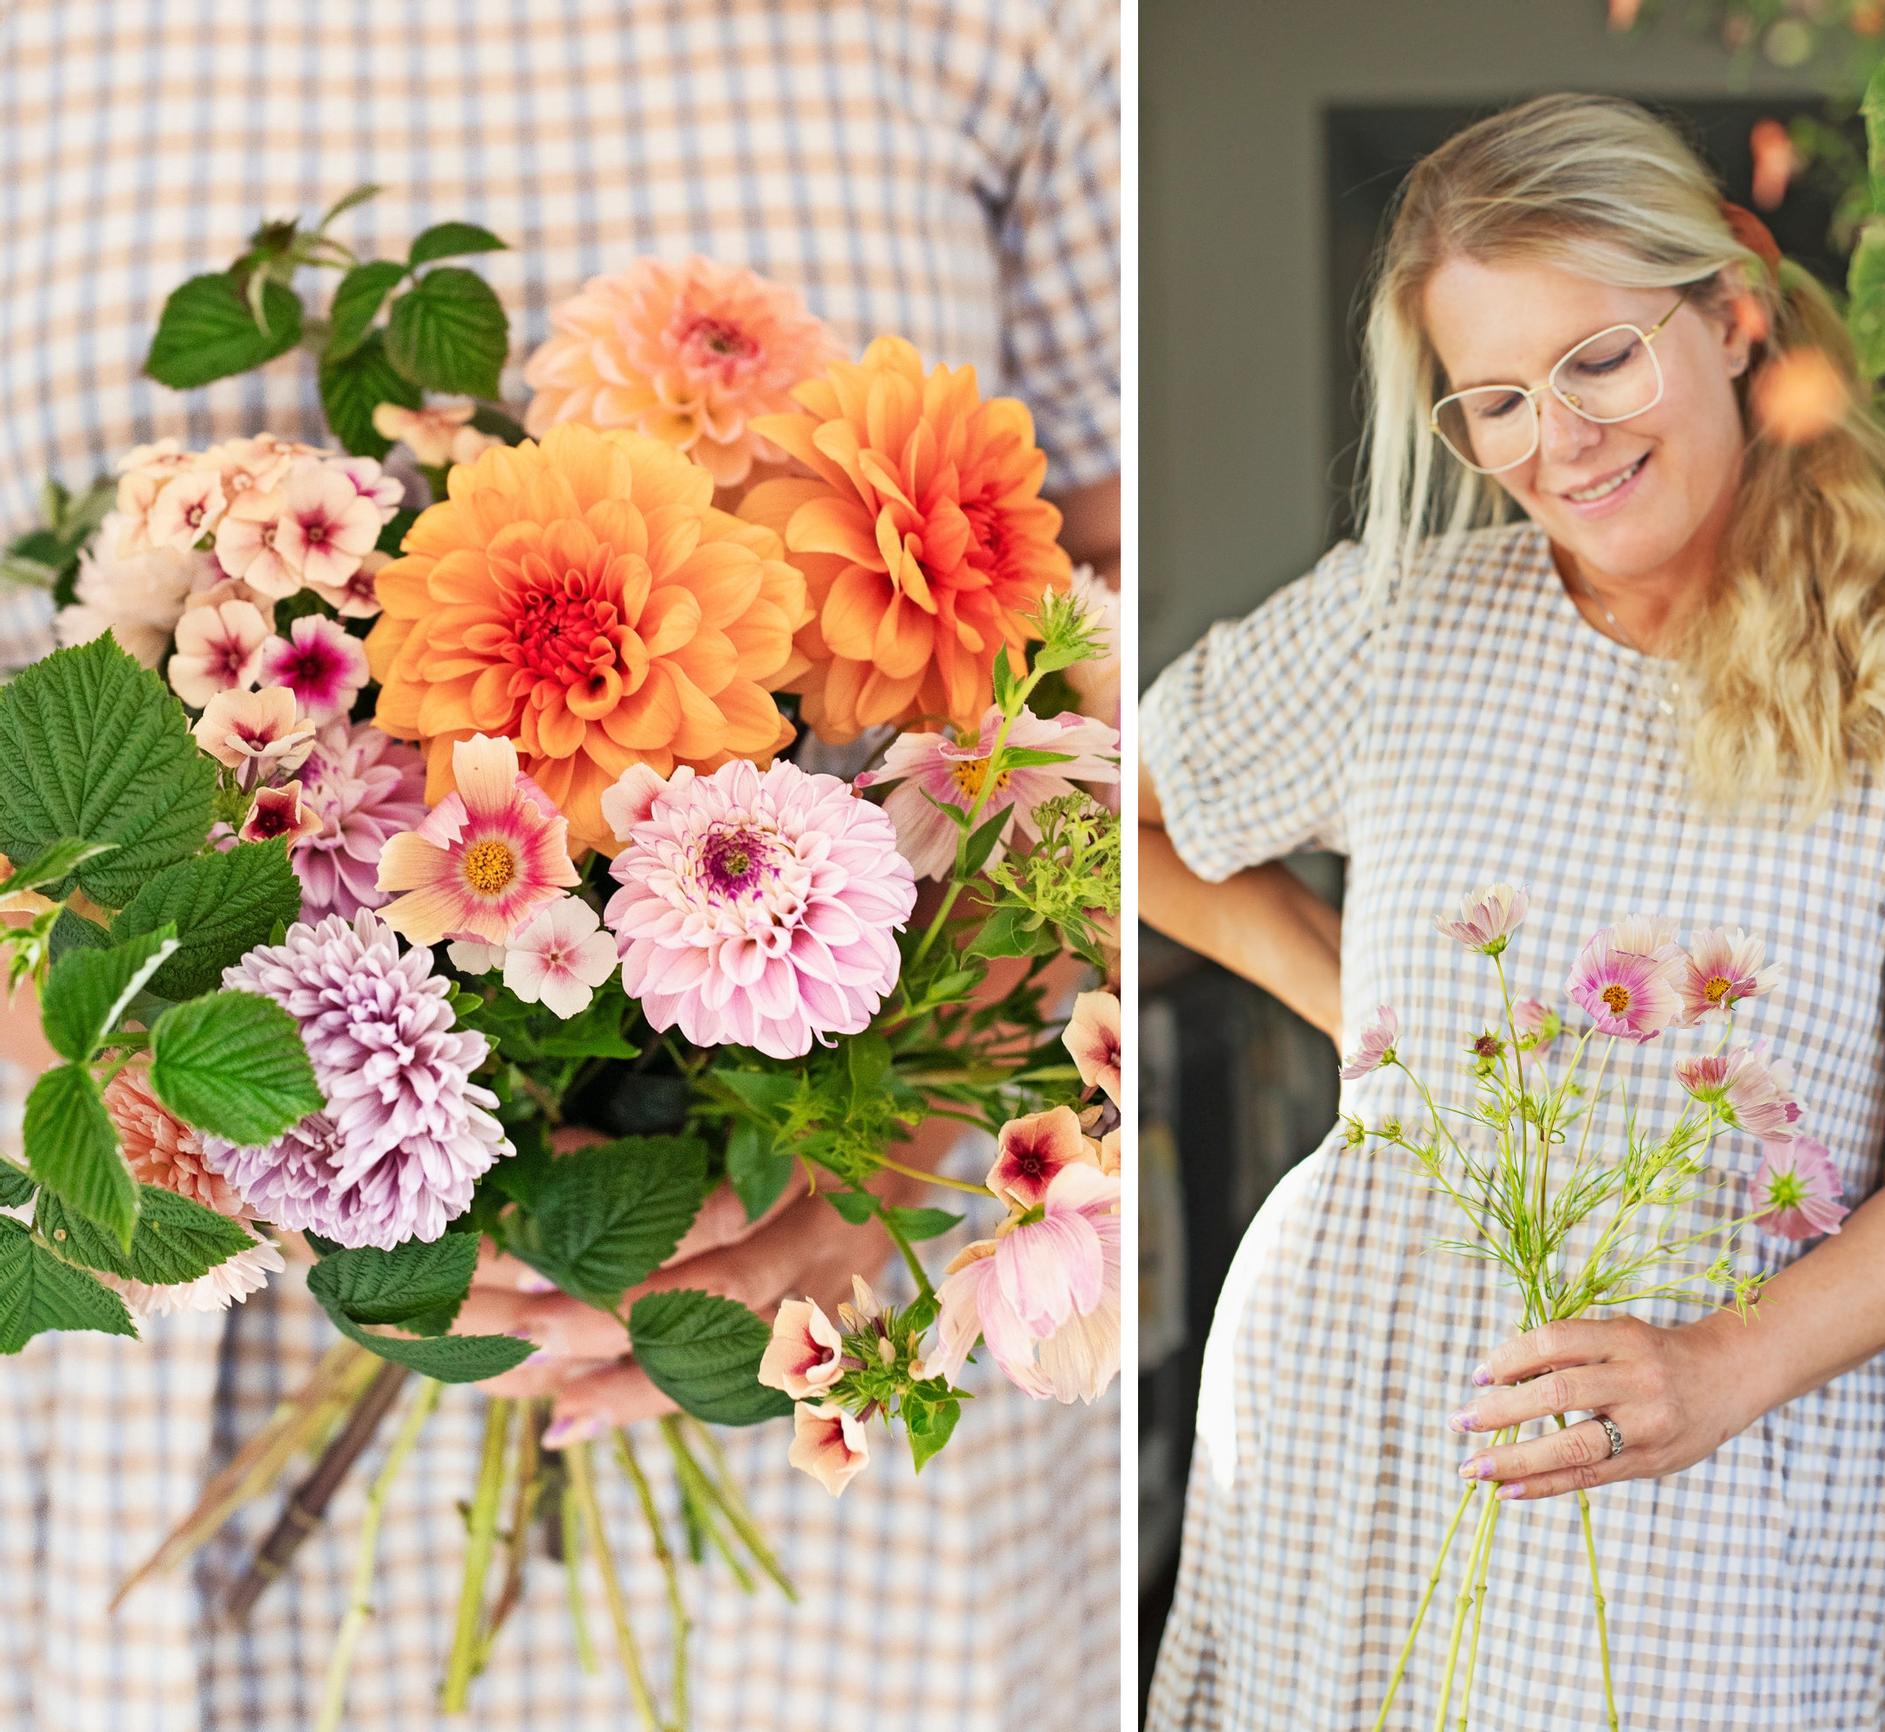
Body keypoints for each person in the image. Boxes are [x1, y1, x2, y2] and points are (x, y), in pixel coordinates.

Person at [0, 4, 1119, 1728]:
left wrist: (882, 1154)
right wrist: (188, 1117)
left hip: (821, 1260)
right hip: (169, 1267)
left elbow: (1103, 619)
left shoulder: (1011, 31)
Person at [1139, 92, 1885, 1730]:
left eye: (1597, 362)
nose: (1557, 441)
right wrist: (1361, 1005)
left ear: (1732, 317)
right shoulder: (1405, 621)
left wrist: (1719, 1371)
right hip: (1357, 1402)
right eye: (1492, 400)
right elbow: (1114, 818)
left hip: (1731, 1448)